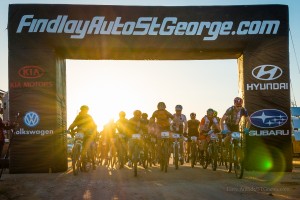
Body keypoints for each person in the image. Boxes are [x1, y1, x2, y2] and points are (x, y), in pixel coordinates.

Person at [68, 105, 97, 169]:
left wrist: (94, 132)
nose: (84, 111)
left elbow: (94, 125)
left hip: (88, 134)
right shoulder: (78, 116)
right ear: (81, 110)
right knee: (76, 142)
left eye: (85, 110)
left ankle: (93, 163)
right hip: (80, 132)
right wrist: (70, 129)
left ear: (87, 111)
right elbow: (74, 123)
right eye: (83, 110)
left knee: (88, 148)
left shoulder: (89, 117)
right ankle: (75, 154)